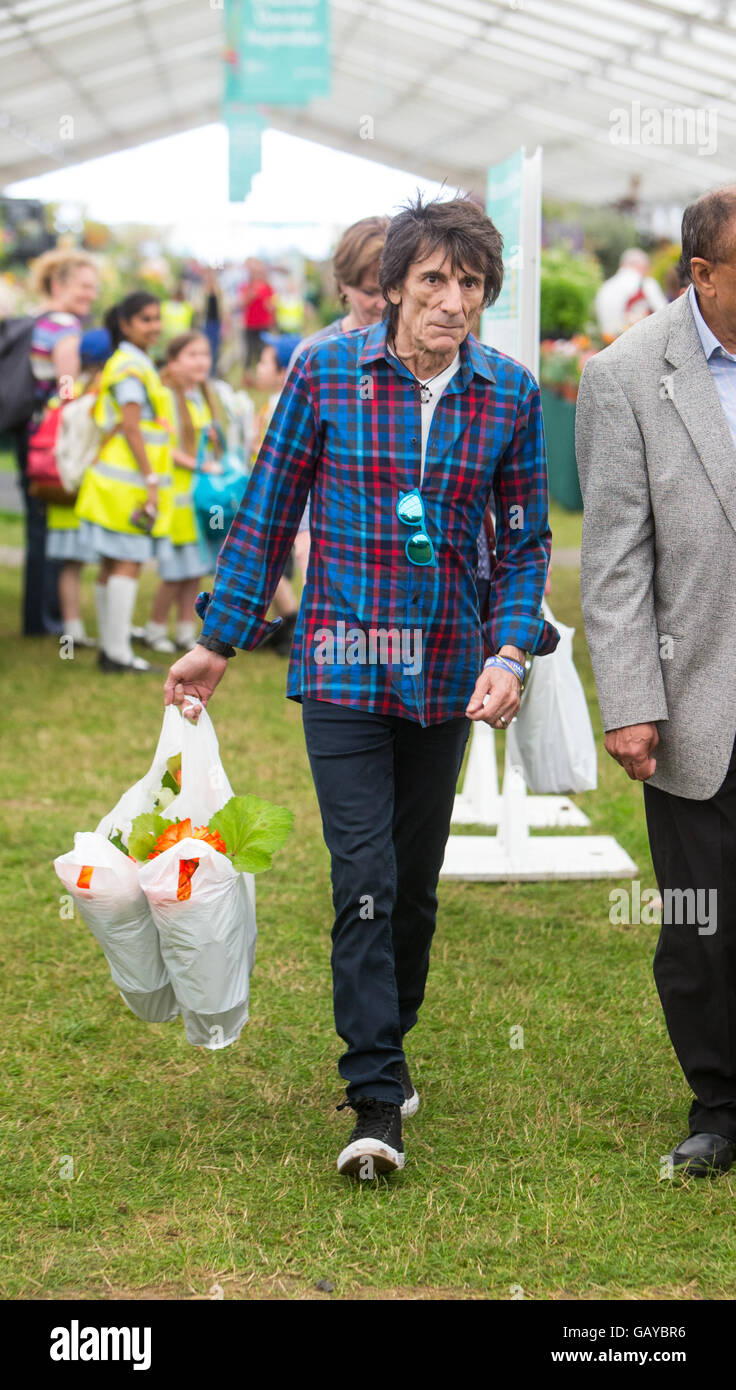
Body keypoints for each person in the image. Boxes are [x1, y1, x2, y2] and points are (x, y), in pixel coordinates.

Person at [164, 193, 558, 1179]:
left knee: (414, 889)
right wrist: (220, 639)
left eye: (470, 284)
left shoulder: (507, 394)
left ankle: (390, 1035)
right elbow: (267, 507)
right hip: (341, 663)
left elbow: (526, 545)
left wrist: (509, 652)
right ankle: (374, 1096)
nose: (452, 301)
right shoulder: (327, 374)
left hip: (446, 677)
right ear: (390, 288)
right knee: (366, 880)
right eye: (433, 279)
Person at [577, 184, 736, 1179]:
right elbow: (615, 560)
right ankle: (717, 1100)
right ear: (701, 274)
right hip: (697, 699)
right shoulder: (628, 374)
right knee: (700, 922)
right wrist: (630, 698)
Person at [75, 292, 174, 673]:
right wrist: (150, 479)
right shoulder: (132, 367)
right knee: (128, 563)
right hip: (127, 485)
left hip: (112, 482)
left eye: (157, 318)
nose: (156, 326)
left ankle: (110, 647)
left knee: (111, 564)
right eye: (146, 319)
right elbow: (132, 426)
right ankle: (117, 653)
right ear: (126, 324)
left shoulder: (127, 362)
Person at [287, 216, 390, 579]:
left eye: (390, 288)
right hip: (333, 533)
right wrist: (302, 534)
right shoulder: (314, 355)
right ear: (343, 286)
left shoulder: (423, 351)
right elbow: (290, 460)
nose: (382, 304)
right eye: (368, 291)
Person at [13, 247, 98, 636]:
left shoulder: (35, 321)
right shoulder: (65, 326)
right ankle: (46, 617)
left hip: (27, 433)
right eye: (84, 286)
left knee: (36, 524)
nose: (90, 295)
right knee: (48, 524)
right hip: (51, 440)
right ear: (58, 283)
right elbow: (66, 385)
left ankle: (37, 615)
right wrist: (74, 399)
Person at [143, 331, 225, 654]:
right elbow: (165, 444)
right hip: (176, 496)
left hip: (198, 500)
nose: (201, 361)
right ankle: (155, 628)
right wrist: (199, 465)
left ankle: (185, 630)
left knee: (195, 569)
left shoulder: (204, 396)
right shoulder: (166, 396)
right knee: (174, 572)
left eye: (205, 354)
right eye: (192, 355)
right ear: (173, 361)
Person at [45, 327, 112, 648]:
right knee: (102, 563)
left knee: (70, 566)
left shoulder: (70, 388)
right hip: (90, 487)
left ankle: (71, 632)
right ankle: (105, 633)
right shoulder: (104, 391)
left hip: (64, 484)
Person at [251, 332, 303, 656]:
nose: (257, 368)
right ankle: (282, 623)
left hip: (276, 498)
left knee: (265, 561)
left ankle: (291, 622)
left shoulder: (283, 406)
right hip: (270, 495)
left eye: (264, 362)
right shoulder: (273, 402)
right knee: (270, 562)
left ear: (284, 371)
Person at [595, 248, 667, 341]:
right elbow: (664, 314)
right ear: (641, 266)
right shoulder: (646, 283)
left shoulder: (605, 287)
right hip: (637, 343)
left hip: (607, 344)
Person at [240, 258, 275, 370]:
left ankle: (262, 372)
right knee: (249, 351)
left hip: (263, 323)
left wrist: (270, 307)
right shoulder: (246, 287)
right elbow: (242, 303)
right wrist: (250, 296)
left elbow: (272, 305)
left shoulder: (268, 287)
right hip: (250, 323)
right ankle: (248, 374)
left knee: (262, 350)